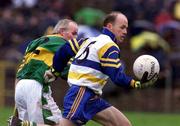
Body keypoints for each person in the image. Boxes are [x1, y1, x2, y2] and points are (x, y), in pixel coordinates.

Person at [51, 11, 158, 126]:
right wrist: (136, 84)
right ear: (109, 26)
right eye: (122, 27)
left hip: (90, 96)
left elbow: (63, 51)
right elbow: (116, 76)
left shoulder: (88, 40)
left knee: (123, 124)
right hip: (81, 93)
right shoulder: (109, 46)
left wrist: (56, 70)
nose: (125, 32)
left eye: (126, 28)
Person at [8, 19, 80, 126]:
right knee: (59, 123)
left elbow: (20, 72)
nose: (76, 38)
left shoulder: (33, 43)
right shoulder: (62, 42)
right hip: (36, 86)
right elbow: (69, 70)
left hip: (20, 86)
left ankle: (22, 124)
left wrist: (17, 104)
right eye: (73, 33)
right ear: (61, 31)